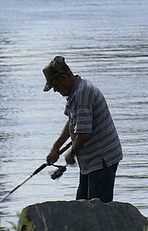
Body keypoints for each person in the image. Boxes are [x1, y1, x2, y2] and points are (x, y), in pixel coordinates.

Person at [42, 55, 122, 203]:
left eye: (55, 86)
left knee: (97, 209)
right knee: (81, 204)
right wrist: (55, 148)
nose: (55, 91)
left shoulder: (81, 94)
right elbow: (72, 123)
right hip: (90, 161)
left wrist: (71, 153)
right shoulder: (75, 92)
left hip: (102, 160)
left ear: (64, 79)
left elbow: (84, 133)